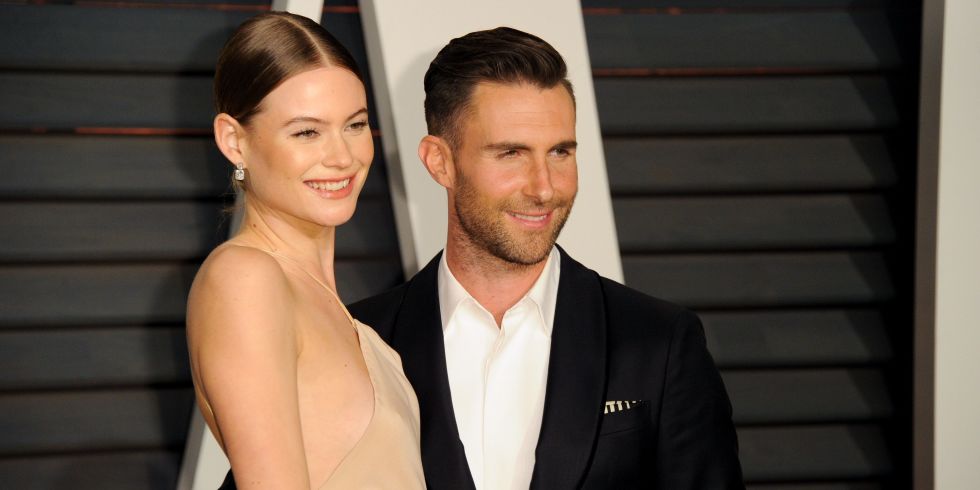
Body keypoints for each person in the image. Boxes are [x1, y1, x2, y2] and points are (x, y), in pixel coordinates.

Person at [348, 27, 743, 489]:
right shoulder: (358, 341)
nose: (544, 188)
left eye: (559, 152)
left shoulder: (659, 343)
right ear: (440, 162)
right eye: (511, 153)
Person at [185, 12, 424, 489]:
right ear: (234, 140)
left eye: (355, 125)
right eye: (307, 132)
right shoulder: (245, 279)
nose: (342, 157)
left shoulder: (326, 299)